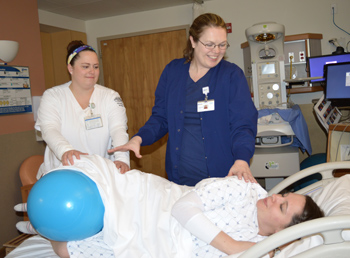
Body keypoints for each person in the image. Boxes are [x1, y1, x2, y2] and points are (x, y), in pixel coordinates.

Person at [14, 155, 324, 258]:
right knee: (107, 192)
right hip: (157, 202)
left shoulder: (261, 248)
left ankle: (40, 228)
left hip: (159, 245)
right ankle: (38, 220)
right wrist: (232, 246)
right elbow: (183, 208)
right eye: (283, 196)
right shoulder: (242, 187)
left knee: (67, 250)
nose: (275, 196)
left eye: (283, 207)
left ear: (286, 231)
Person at [108, 13, 258, 186]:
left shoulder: (231, 75)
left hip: (222, 176)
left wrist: (242, 159)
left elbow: (243, 125)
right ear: (193, 41)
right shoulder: (173, 72)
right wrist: (139, 138)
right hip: (180, 177)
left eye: (222, 45)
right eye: (209, 44)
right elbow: (161, 117)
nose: (216, 51)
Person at [35, 40, 130, 179]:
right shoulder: (53, 96)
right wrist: (66, 151)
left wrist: (122, 158)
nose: (92, 71)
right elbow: (49, 129)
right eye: (85, 66)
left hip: (100, 174)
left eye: (96, 66)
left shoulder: (110, 96)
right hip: (62, 172)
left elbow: (118, 129)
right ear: (70, 68)